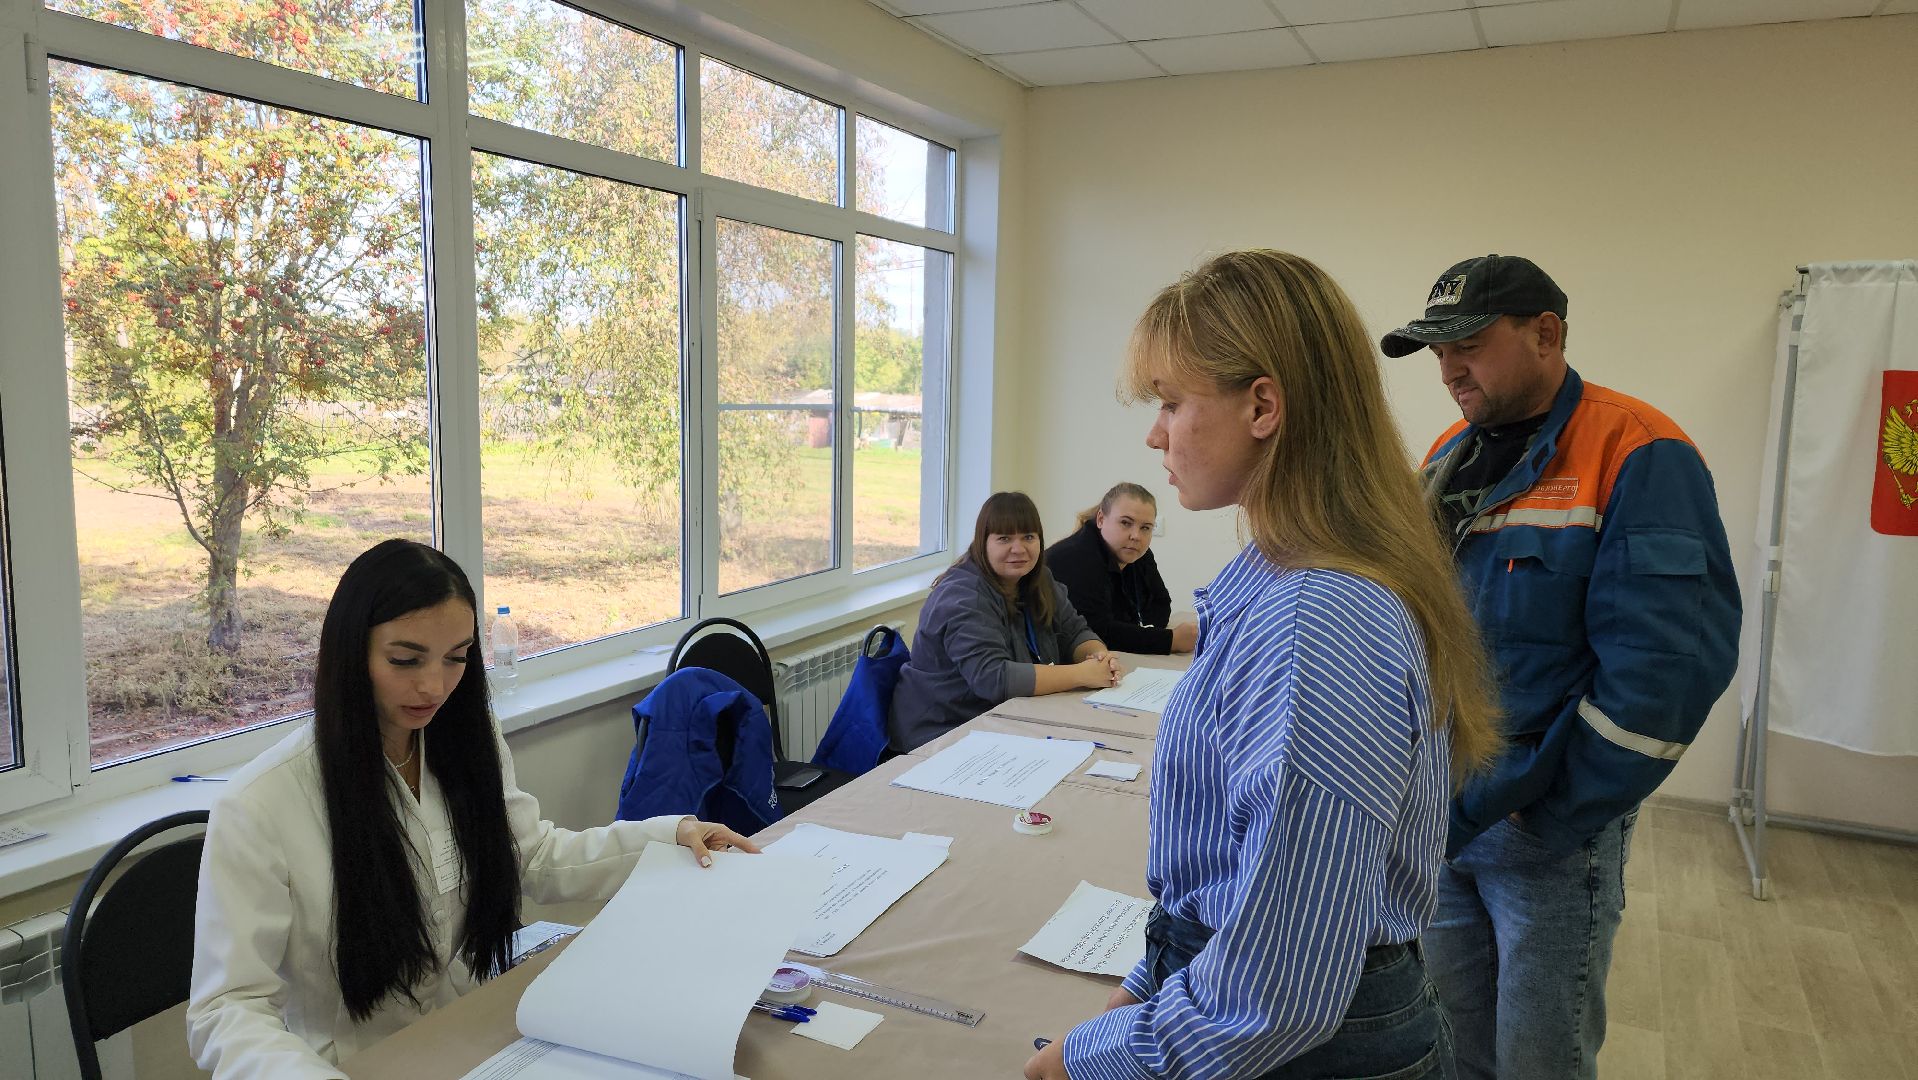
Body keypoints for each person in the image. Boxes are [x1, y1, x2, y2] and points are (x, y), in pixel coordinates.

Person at [1026, 250, 1502, 1080]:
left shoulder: (1321, 616)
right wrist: (1150, 981)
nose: (1155, 432)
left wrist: (1087, 1061)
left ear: (1263, 406)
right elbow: (1235, 877)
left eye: (1173, 402)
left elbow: (1277, 990)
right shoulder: (1290, 579)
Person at [187, 540, 758, 1079]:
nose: (433, 686)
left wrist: (669, 836)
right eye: (406, 660)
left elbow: (529, 856)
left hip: (473, 1031)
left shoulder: (462, 742)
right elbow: (227, 1010)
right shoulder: (262, 805)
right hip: (356, 1062)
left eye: (456, 658)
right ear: (349, 652)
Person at [1380, 254, 1739, 1080]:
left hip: (1544, 836)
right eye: (1436, 352)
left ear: (1547, 333)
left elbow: (1665, 674)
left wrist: (1554, 814)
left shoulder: (1638, 449)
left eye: (1467, 344)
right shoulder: (1445, 457)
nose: (1447, 370)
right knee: (1448, 1043)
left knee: (1539, 1061)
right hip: (1439, 822)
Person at [889, 491, 1122, 752]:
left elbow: (1075, 630)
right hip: (943, 732)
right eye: (1004, 538)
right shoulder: (963, 596)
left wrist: (1099, 658)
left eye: (1029, 537)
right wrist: (1081, 674)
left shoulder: (1038, 578)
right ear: (982, 543)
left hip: (1005, 719)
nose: (1019, 549)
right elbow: (994, 679)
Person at [1046, 483, 1198, 655]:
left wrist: (1141, 632)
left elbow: (1161, 604)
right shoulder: (1075, 557)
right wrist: (1170, 640)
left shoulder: (1137, 553)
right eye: (1126, 523)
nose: (1136, 536)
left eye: (1145, 528)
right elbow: (1095, 631)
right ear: (1101, 519)